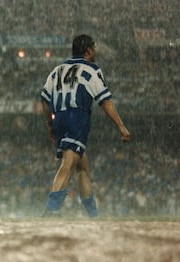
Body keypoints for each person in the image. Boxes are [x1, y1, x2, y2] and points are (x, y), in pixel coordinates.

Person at [40, 34, 130, 217]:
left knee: (82, 168)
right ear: (88, 50)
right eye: (94, 47)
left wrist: (50, 124)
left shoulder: (57, 70)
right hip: (77, 116)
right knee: (68, 163)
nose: (95, 51)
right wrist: (121, 125)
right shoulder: (91, 69)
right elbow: (106, 102)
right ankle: (51, 209)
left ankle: (93, 215)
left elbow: (44, 100)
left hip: (59, 118)